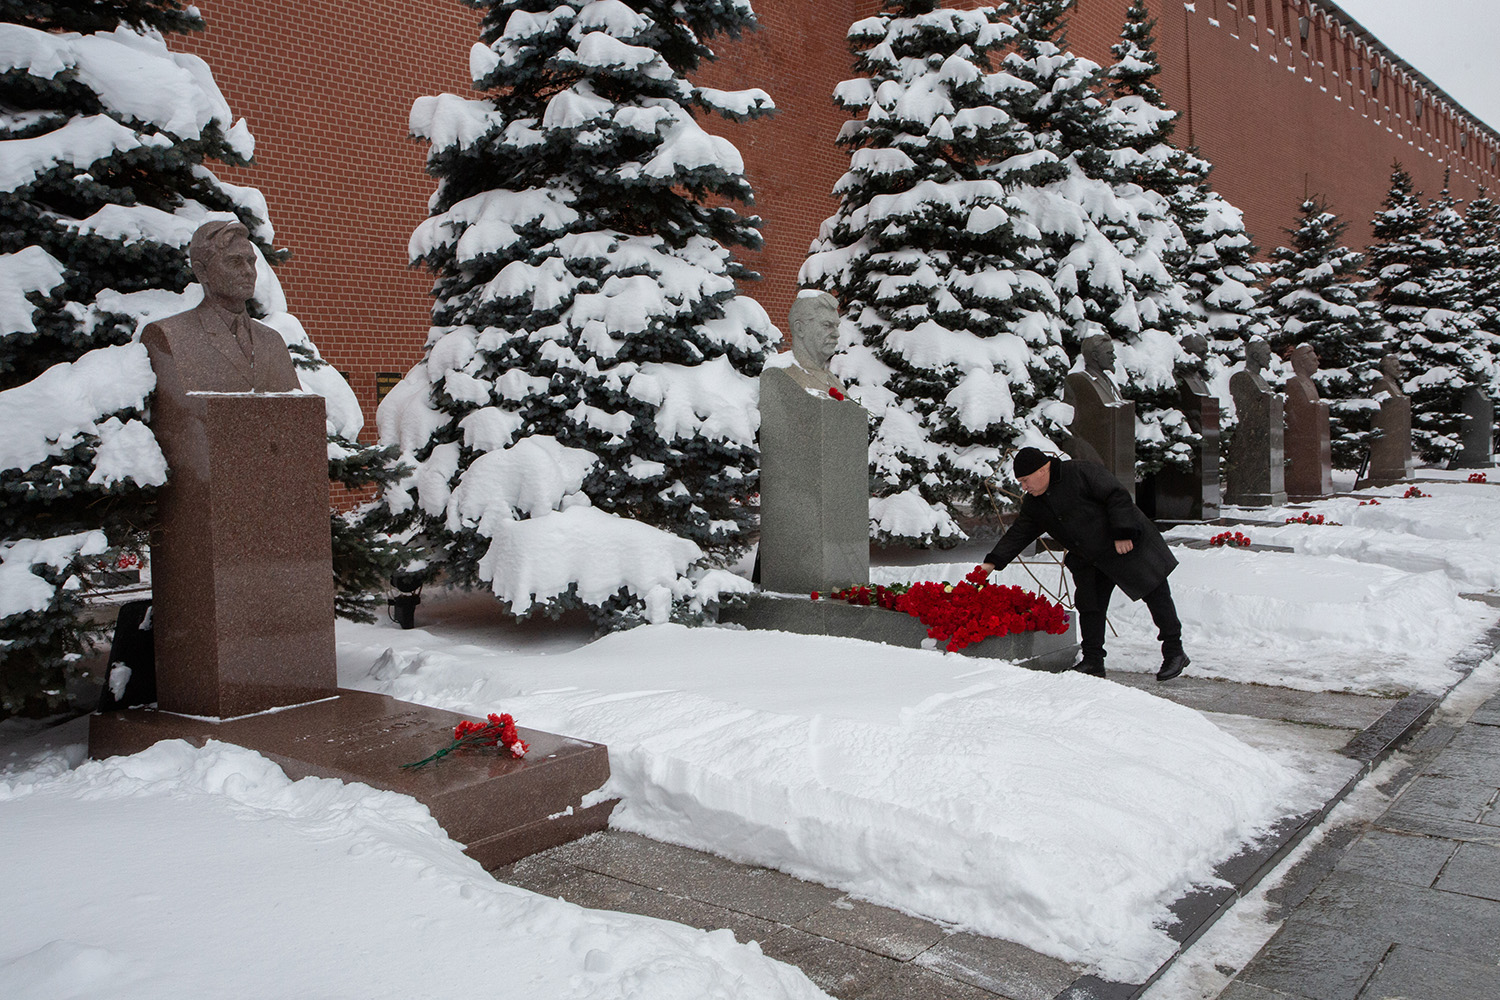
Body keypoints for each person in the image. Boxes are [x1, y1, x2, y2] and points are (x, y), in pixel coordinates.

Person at [981, 447, 1189, 680]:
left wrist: (1123, 532)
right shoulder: (1035, 503)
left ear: (1042, 470)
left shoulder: (1080, 472)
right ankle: (1093, 661)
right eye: (1020, 482)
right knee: (1090, 605)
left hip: (1126, 544)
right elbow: (1019, 533)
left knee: (1155, 594)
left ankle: (1174, 652)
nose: (1023, 487)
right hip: (1090, 557)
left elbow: (1116, 495)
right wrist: (992, 562)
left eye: (1025, 480)